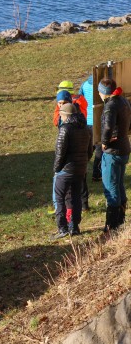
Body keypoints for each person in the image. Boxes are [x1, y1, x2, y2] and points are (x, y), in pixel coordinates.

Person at [52, 103, 93, 238]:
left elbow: (60, 153)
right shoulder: (86, 128)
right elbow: (89, 151)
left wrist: (57, 169)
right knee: (76, 197)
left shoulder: (65, 129)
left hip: (66, 170)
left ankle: (62, 228)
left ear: (64, 115)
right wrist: (83, 163)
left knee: (59, 198)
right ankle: (74, 227)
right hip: (80, 169)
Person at [99, 78, 131, 231]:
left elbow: (108, 126)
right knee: (118, 185)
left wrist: (104, 142)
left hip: (112, 152)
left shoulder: (110, 106)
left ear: (103, 93)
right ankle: (121, 220)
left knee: (110, 187)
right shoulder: (124, 101)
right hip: (124, 148)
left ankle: (112, 226)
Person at [79, 75, 102, 181]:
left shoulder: (84, 85)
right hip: (97, 122)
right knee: (99, 148)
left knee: (88, 148)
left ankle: (80, 170)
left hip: (86, 121)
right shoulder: (100, 87)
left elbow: (79, 99)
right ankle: (96, 174)